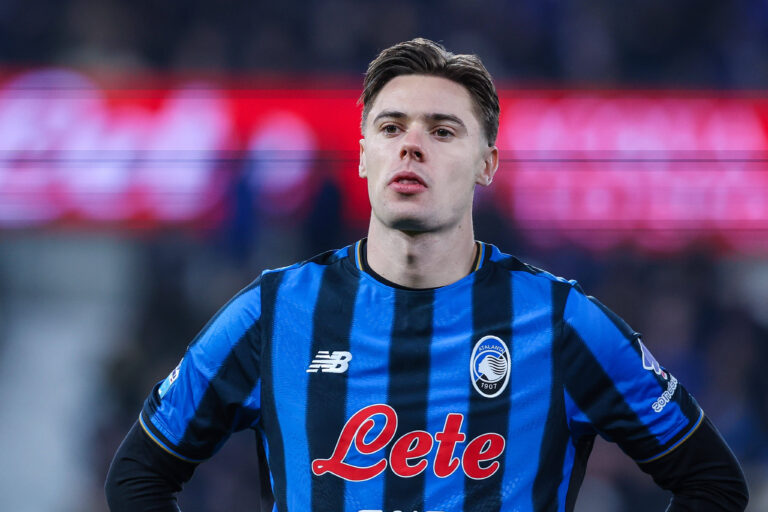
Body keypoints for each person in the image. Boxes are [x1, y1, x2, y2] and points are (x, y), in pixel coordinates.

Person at [105, 38, 749, 512]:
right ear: (362, 156)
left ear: (486, 164)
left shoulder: (561, 322)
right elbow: (137, 477)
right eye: (391, 127)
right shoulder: (273, 313)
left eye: (443, 131)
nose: (411, 145)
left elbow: (712, 484)